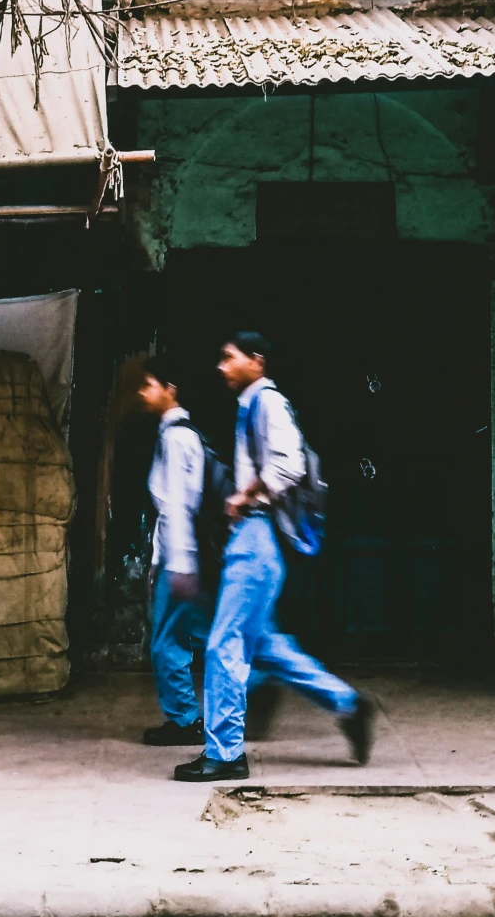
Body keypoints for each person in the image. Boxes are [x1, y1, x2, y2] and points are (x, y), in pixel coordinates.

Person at [173, 331, 377, 782]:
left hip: (256, 538)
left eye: (230, 358)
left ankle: (225, 753)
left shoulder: (267, 402)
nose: (222, 368)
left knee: (224, 643)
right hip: (255, 540)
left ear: (257, 361)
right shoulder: (252, 405)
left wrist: (244, 497)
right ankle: (348, 704)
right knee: (264, 645)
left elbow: (288, 465)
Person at [136, 357, 210, 746]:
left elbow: (179, 505)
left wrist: (178, 564)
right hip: (180, 556)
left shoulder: (177, 438)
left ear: (170, 388)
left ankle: (183, 719)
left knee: (167, 641)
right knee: (195, 634)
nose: (142, 393)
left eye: (149, 385)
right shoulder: (177, 433)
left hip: (178, 559)